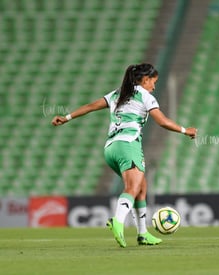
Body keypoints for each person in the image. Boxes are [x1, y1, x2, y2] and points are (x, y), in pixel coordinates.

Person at [52, 63, 197, 248]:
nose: (154, 86)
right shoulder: (145, 96)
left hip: (111, 148)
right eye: (153, 81)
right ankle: (118, 221)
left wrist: (66, 117)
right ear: (145, 80)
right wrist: (186, 130)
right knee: (132, 187)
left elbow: (90, 106)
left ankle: (143, 234)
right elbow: (162, 121)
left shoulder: (118, 93)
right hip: (128, 145)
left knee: (141, 188)